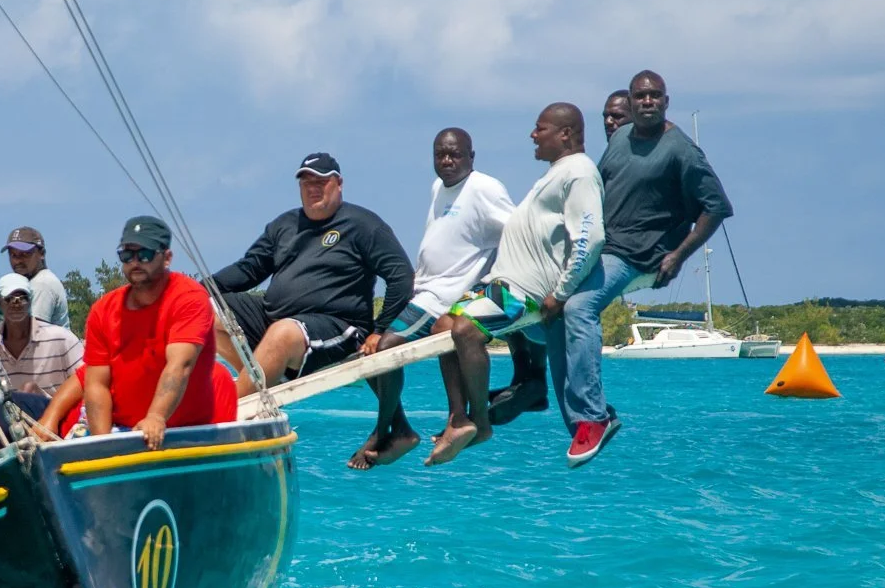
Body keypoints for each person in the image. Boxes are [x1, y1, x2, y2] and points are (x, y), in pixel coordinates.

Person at [548, 70, 734, 466]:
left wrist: (679, 254)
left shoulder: (681, 149)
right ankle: (579, 419)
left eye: (655, 96)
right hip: (603, 245)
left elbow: (716, 207)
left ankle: (592, 418)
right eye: (640, 96)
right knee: (550, 314)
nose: (647, 102)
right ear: (629, 103)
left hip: (639, 253)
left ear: (666, 102)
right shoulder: (619, 138)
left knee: (579, 308)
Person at [424, 103, 604, 466]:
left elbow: (590, 238)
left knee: (465, 329)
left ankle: (481, 422)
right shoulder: (557, 172)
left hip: (525, 291)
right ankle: (458, 419)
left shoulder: (580, 172)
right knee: (442, 327)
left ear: (565, 134)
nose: (532, 135)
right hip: (503, 283)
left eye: (540, 129)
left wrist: (562, 292)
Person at [348, 128, 514, 469]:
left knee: (386, 347)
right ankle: (411, 427)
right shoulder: (439, 187)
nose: (447, 161)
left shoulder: (484, 188)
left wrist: (493, 283)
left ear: (472, 156)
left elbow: (516, 231)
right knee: (365, 353)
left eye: (454, 154)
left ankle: (387, 433)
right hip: (424, 291)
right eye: (440, 154)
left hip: (441, 296)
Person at [212, 153, 413, 396]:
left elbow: (401, 276)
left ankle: (232, 410)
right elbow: (249, 269)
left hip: (337, 326)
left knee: (283, 332)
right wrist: (195, 288)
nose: (312, 189)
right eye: (306, 183)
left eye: (320, 182)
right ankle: (260, 387)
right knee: (202, 308)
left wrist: (381, 330)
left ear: (339, 184)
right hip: (274, 318)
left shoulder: (363, 225)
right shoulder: (285, 224)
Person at [83, 216, 219, 450]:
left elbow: (180, 365)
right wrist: (102, 445)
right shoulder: (102, 310)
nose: (135, 262)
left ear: (167, 258)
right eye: (127, 255)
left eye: (144, 255)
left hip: (187, 434)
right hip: (121, 430)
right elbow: (96, 385)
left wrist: (156, 417)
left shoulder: (189, 298)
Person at [37, 361, 239, 440]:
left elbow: (213, 449)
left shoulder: (217, 381)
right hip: (57, 435)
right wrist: (50, 419)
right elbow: (84, 377)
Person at [0, 272, 82, 395]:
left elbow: (89, 382)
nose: (16, 304)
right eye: (9, 299)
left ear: (30, 301)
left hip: (54, 412)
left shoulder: (63, 340)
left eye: (23, 298)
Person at [0, 226, 70, 328]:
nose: (18, 261)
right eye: (13, 255)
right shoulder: (32, 283)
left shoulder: (42, 284)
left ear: (42, 254)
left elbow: (33, 334)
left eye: (25, 254)